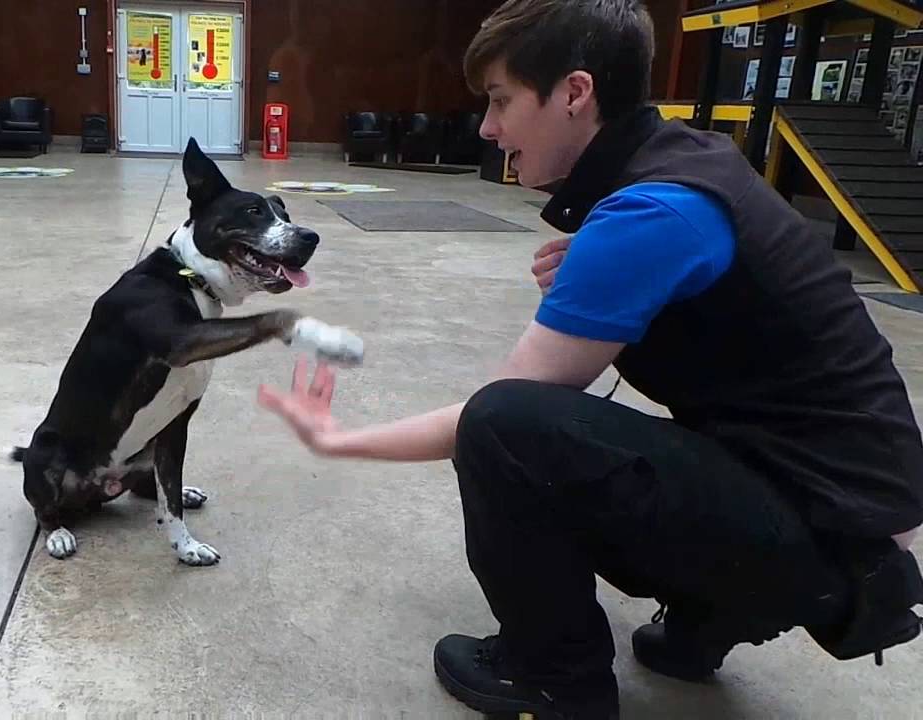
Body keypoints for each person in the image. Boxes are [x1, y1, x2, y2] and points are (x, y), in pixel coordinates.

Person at [256, 1, 923, 718]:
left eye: (501, 100)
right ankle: (709, 618)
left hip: (836, 543)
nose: (488, 127)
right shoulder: (683, 168)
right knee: (612, 432)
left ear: (574, 94)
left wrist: (340, 440)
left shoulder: (652, 214)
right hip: (849, 512)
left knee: (507, 429)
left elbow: (500, 410)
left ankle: (553, 677)